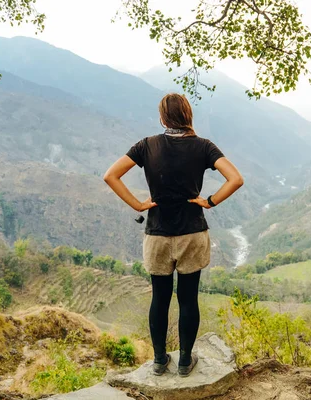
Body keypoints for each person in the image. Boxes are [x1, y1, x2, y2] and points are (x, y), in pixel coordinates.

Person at [103, 93, 244, 377]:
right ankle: (184, 361)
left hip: (157, 234)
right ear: (188, 115)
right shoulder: (203, 146)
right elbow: (236, 179)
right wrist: (210, 201)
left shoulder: (146, 145)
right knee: (188, 299)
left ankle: (158, 360)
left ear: (162, 118)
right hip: (192, 232)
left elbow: (110, 176)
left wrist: (139, 204)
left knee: (160, 298)